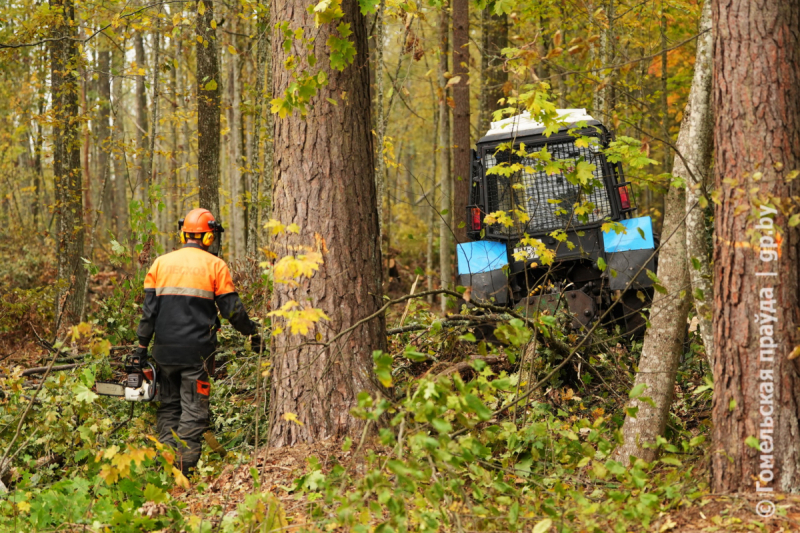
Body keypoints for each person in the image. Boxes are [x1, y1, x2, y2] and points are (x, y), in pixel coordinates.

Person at [135, 208, 262, 475]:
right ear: (207, 238)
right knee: (193, 412)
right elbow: (232, 310)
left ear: (184, 234)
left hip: (164, 353)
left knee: (169, 408)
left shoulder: (159, 263)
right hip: (197, 354)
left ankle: (167, 468)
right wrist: (252, 332)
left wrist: (141, 348)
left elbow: (149, 313)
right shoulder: (215, 266)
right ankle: (183, 471)